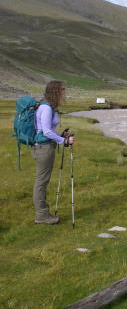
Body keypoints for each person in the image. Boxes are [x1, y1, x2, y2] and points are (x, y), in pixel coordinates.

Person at [32, 80, 75, 224]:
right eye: (63, 89)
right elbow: (46, 131)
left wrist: (61, 135)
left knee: (42, 181)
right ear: (55, 91)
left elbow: (49, 130)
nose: (65, 92)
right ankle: (42, 216)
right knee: (41, 182)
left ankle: (42, 214)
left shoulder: (49, 106)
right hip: (44, 148)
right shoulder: (46, 108)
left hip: (46, 146)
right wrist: (63, 141)